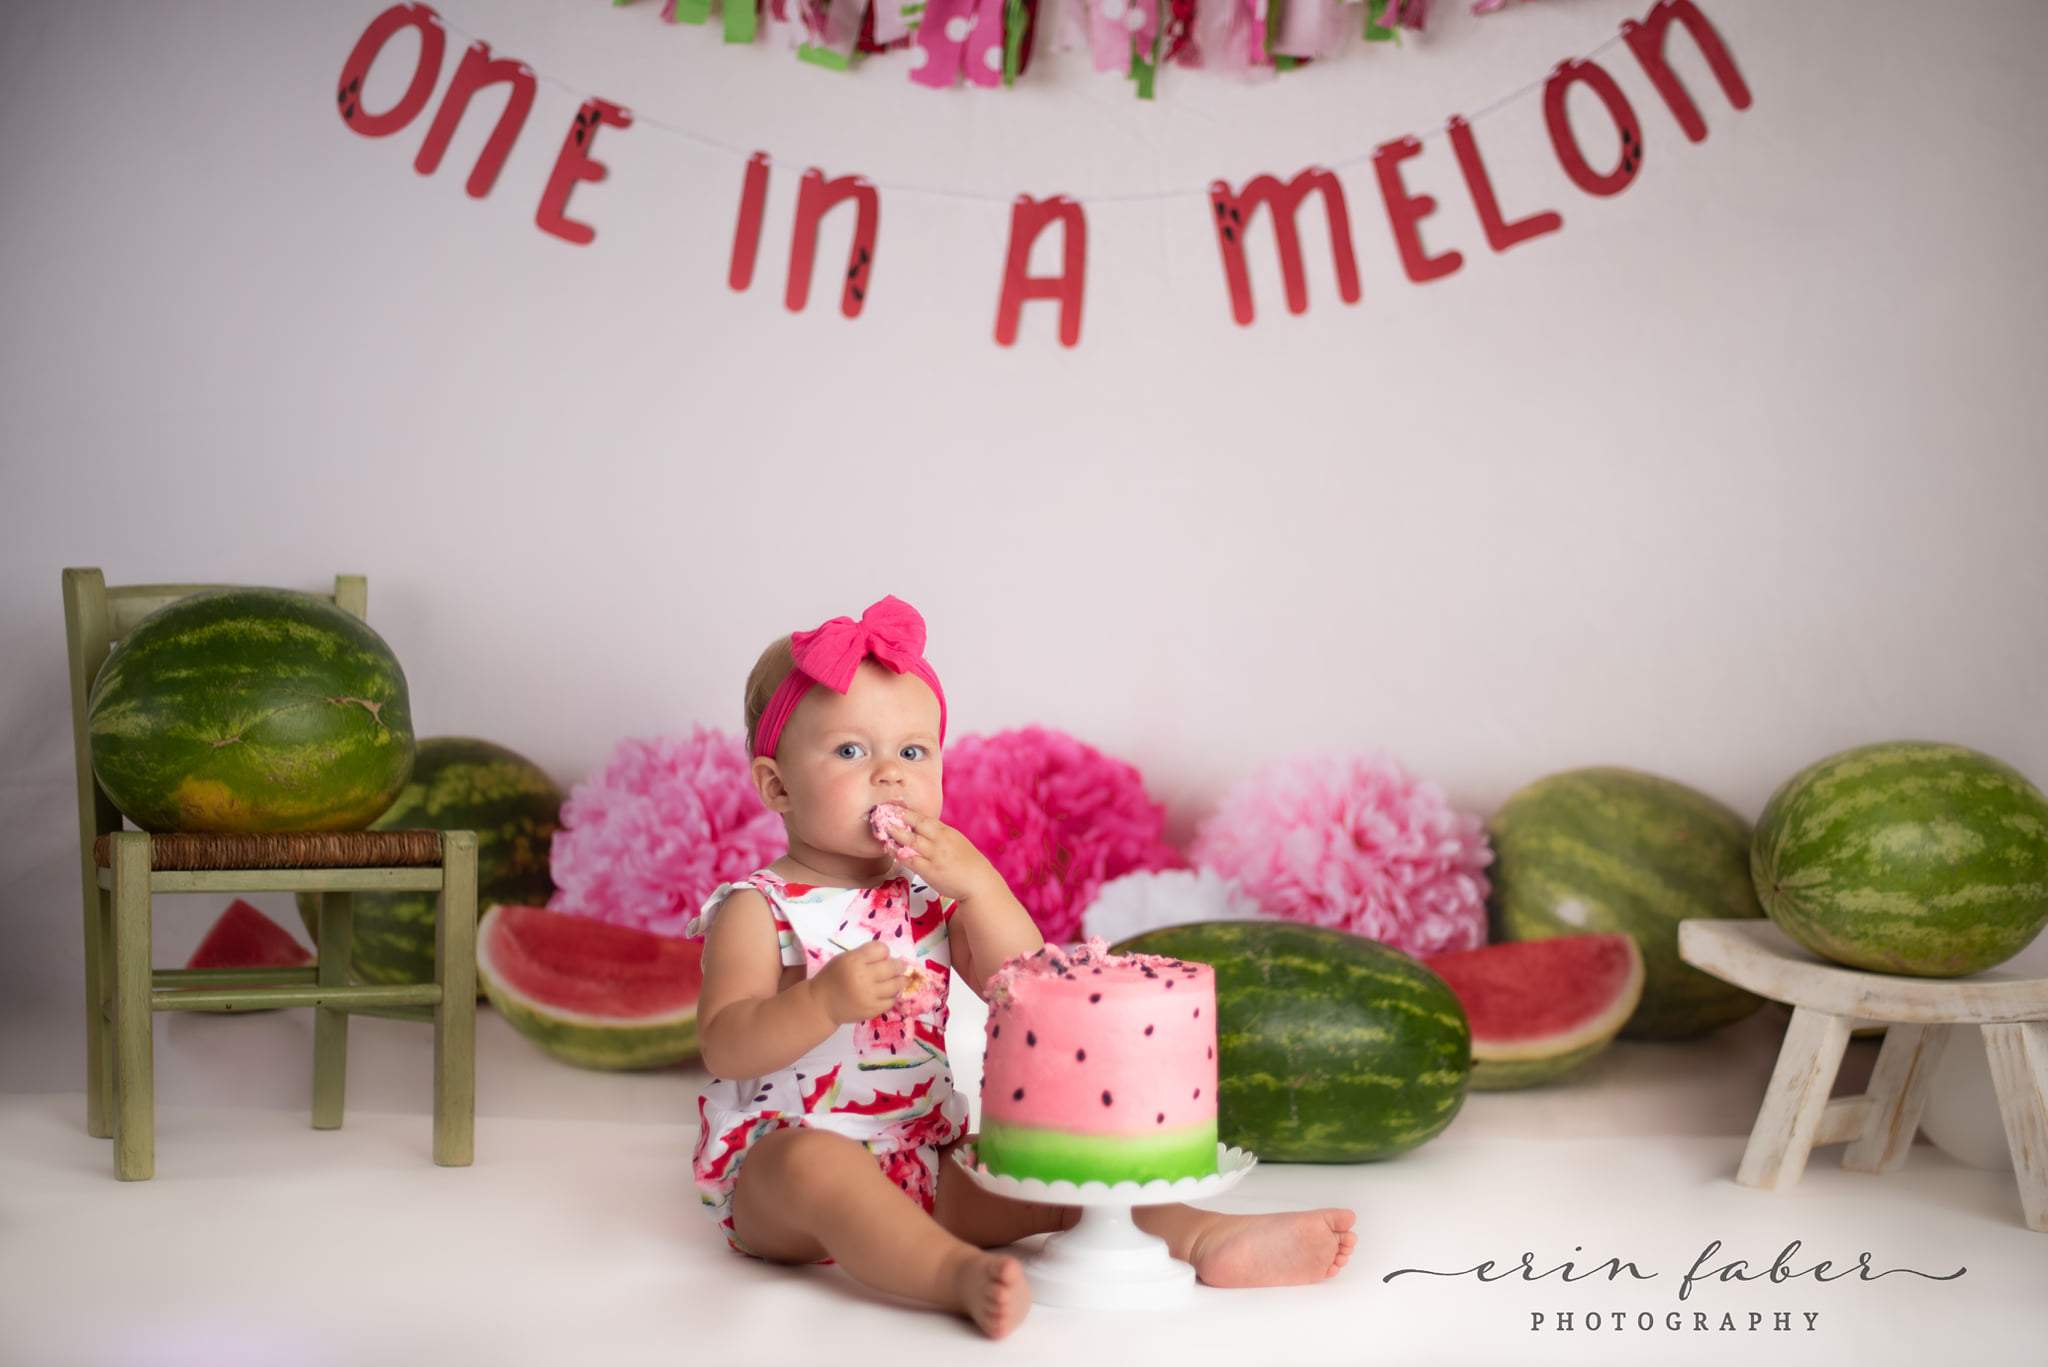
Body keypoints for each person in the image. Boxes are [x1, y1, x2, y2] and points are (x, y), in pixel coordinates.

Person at [687, 595, 1356, 1338]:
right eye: (851, 752)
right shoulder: (760, 907)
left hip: (925, 1158)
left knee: (1053, 1175)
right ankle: (950, 1273)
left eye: (913, 752)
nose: (890, 776)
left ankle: (1203, 1236)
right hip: (782, 1171)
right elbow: (725, 1041)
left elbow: (1028, 984)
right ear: (777, 785)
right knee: (818, 1169)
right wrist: (820, 1003)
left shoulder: (927, 896)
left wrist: (982, 885)